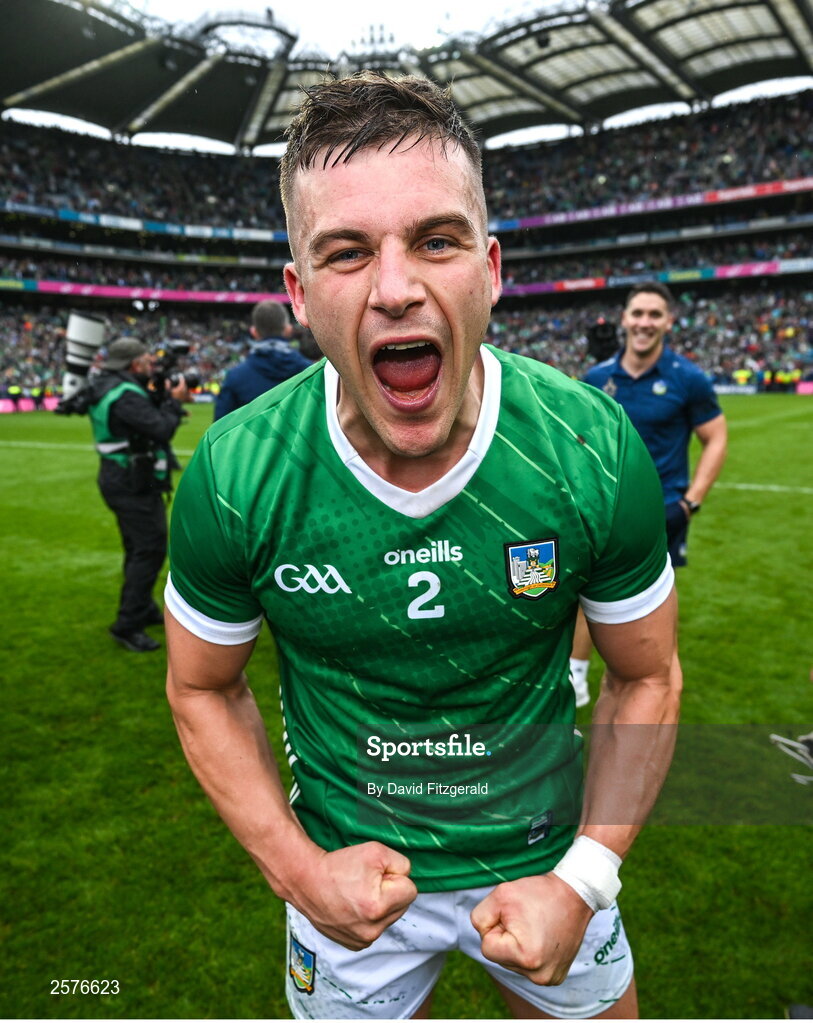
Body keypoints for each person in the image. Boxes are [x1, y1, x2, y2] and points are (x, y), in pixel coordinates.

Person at [165, 72, 682, 1020]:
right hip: (345, 872)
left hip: (540, 856)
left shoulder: (587, 450)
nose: (396, 288)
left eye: (434, 241)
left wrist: (586, 877)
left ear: (489, 268)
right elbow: (202, 684)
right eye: (347, 252)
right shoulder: (237, 476)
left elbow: (645, 675)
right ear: (300, 288)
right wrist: (299, 872)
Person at [569, 282, 727, 707]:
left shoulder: (687, 379)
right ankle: (577, 678)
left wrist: (690, 503)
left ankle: (654, 693)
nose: (644, 322)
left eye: (655, 314)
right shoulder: (598, 378)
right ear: (624, 318)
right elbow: (580, 443)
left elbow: (716, 437)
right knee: (583, 593)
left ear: (669, 322)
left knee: (654, 617)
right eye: (637, 313)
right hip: (601, 513)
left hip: (661, 514)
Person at [88, 337, 189, 653]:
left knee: (137, 547)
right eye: (146, 361)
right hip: (131, 481)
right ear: (134, 364)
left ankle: (142, 607)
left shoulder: (110, 386)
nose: (150, 366)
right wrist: (174, 401)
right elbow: (160, 429)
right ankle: (127, 624)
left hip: (123, 478)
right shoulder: (126, 395)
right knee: (149, 548)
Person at [213, 299, 312, 420]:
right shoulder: (311, 373)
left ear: (254, 332)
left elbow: (220, 431)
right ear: (288, 330)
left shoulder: (235, 377)